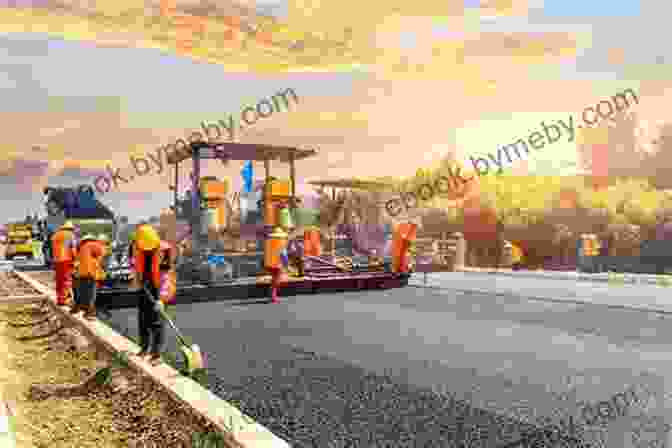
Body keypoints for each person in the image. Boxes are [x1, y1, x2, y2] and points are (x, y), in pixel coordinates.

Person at [132, 223, 167, 364]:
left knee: (157, 322)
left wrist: (161, 299)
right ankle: (144, 348)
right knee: (143, 319)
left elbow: (166, 276)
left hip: (158, 288)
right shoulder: (136, 246)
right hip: (143, 286)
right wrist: (136, 279)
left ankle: (157, 354)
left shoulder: (164, 250)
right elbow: (133, 263)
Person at [72, 234, 106, 320]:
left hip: (81, 273)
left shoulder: (81, 247)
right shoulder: (94, 244)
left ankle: (78, 308)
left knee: (82, 292)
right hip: (91, 273)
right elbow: (102, 253)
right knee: (91, 294)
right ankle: (89, 313)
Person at [51, 221, 77, 306]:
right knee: (66, 280)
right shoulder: (70, 235)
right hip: (66, 260)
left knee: (59, 280)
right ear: (70, 229)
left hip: (56, 260)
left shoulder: (56, 235)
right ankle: (64, 300)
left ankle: (59, 298)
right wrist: (75, 259)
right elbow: (72, 248)